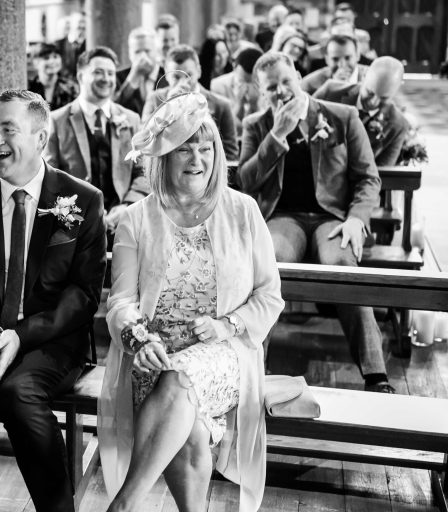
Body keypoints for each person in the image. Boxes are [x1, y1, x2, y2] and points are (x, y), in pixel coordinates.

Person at [98, 91, 284, 512]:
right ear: (162, 157)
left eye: (206, 149)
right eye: (185, 149)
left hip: (225, 354)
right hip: (154, 356)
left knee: (182, 382)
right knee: (190, 423)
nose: (197, 160)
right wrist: (136, 339)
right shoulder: (136, 218)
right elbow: (122, 300)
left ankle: (123, 505)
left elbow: (269, 297)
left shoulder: (243, 211)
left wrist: (228, 325)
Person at [0, 89, 107, 512]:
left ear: (41, 139)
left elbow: (83, 296)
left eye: (7, 129)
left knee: (17, 391)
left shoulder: (82, 200)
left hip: (51, 340)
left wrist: (20, 335)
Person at [239, 52, 394, 394]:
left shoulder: (342, 116)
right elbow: (245, 182)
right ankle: (250, 370)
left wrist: (357, 219)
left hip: (332, 218)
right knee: (272, 264)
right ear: (261, 91)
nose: (281, 91)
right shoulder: (257, 124)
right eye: (271, 88)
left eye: (285, 81)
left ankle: (375, 374)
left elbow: (368, 178)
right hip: (283, 218)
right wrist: (276, 136)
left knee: (342, 265)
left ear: (297, 74)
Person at [46, 47, 149, 238]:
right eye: (98, 72)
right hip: (73, 229)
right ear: (80, 77)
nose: (106, 79)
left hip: (124, 226)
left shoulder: (131, 119)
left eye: (110, 73)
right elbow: (49, 179)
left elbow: (143, 172)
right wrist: (75, 214)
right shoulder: (56, 120)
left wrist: (126, 206)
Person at [143, 44, 239, 161]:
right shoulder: (155, 99)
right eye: (176, 77)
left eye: (189, 75)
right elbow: (144, 142)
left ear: (199, 71)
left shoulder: (222, 106)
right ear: (167, 75)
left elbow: (230, 156)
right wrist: (168, 108)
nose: (183, 82)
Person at [314, 56, 409, 167]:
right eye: (370, 92)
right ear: (364, 76)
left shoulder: (398, 125)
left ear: (398, 88)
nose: (373, 102)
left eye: (384, 98)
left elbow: (382, 173)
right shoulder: (330, 92)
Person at [211, 46, 263, 136]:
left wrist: (255, 106)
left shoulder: (268, 87)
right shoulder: (218, 85)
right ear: (234, 66)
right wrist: (239, 104)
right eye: (242, 81)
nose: (247, 87)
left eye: (253, 82)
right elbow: (224, 129)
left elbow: (263, 130)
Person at [115, 28, 168, 114]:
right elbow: (114, 108)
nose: (142, 57)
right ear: (130, 54)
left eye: (147, 51)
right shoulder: (118, 77)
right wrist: (133, 78)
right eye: (137, 52)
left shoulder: (169, 76)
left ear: (157, 51)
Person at [301, 34, 368, 95]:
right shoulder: (310, 84)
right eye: (335, 59)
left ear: (357, 56)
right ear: (327, 59)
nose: (342, 65)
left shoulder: (372, 76)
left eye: (347, 58)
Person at [27, 43, 79, 111]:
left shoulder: (72, 88)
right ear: (35, 62)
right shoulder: (29, 88)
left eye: (55, 57)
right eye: (46, 58)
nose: (52, 61)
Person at [55, 11, 87, 78]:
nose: (82, 25)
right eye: (80, 21)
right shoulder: (58, 44)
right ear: (70, 24)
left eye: (84, 22)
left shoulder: (88, 45)